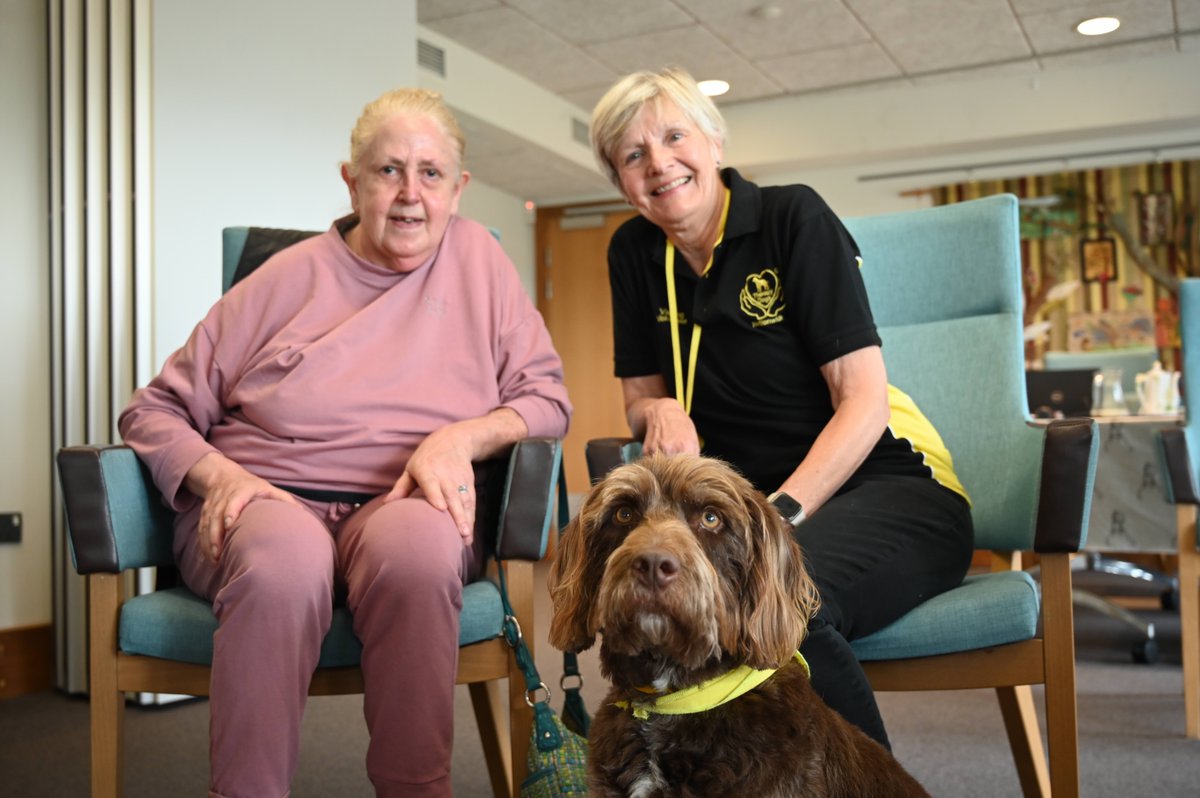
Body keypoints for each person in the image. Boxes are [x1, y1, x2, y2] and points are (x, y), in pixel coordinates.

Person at [119, 88, 571, 798]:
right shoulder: (281, 280)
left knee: (420, 557)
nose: (409, 194)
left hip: (405, 503)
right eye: (388, 170)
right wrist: (218, 477)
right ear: (351, 180)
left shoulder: (483, 268)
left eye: (430, 173)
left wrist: (459, 438)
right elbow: (153, 411)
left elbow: (547, 400)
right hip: (269, 498)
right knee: (282, 566)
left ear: (459, 188)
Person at [589, 66, 973, 748]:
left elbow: (864, 401)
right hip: (744, 514)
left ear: (713, 142)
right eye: (633, 154)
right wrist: (658, 415)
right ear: (619, 178)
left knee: (785, 603)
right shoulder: (633, 251)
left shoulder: (792, 218)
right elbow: (641, 398)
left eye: (675, 136)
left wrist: (780, 516)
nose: (659, 164)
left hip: (884, 489)